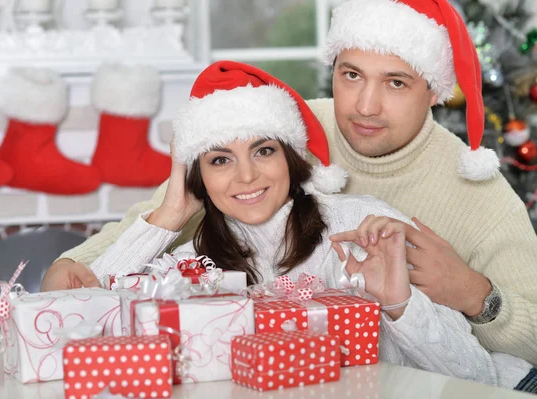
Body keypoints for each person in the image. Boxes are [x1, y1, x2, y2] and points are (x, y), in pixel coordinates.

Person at [42, 0, 537, 367]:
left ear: (434, 89)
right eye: (350, 74)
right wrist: (72, 268)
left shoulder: (479, 191)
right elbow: (156, 221)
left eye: (396, 82)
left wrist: (477, 295)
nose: (365, 106)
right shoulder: (284, 133)